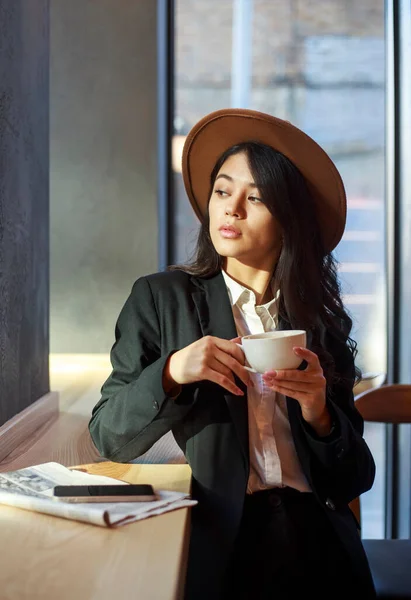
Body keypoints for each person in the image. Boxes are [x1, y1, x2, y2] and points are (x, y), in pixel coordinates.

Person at [89, 108, 377, 600]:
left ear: (290, 219)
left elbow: (355, 476)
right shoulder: (163, 298)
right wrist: (174, 370)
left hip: (316, 538)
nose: (231, 209)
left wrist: (319, 414)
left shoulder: (317, 321)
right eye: (223, 191)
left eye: (255, 197)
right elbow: (108, 436)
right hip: (220, 538)